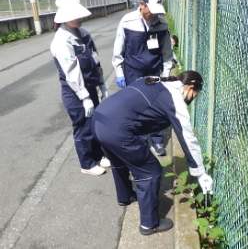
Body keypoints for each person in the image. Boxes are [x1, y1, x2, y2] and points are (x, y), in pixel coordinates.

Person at [91, 70, 213, 235]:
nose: (192, 100)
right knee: (150, 170)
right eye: (194, 95)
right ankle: (149, 224)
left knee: (120, 160)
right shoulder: (175, 99)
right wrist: (199, 173)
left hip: (99, 119)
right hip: (116, 129)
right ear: (190, 88)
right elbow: (187, 137)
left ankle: (125, 196)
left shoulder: (155, 81)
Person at [50, 0, 111, 176]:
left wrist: (102, 84)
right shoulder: (61, 41)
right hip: (74, 93)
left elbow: (95, 59)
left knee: (95, 123)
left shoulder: (84, 35)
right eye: (75, 16)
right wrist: (84, 97)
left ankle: (99, 155)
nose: (80, 19)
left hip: (90, 86)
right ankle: (87, 163)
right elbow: (72, 72)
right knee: (83, 126)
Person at [112, 0, 175, 157]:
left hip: (154, 72)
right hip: (132, 72)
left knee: (156, 107)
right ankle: (139, 141)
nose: (154, 16)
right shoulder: (127, 21)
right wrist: (119, 72)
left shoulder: (161, 25)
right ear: (142, 5)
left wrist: (166, 74)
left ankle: (157, 140)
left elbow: (167, 54)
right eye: (152, 11)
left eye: (158, 12)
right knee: (135, 108)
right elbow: (119, 49)